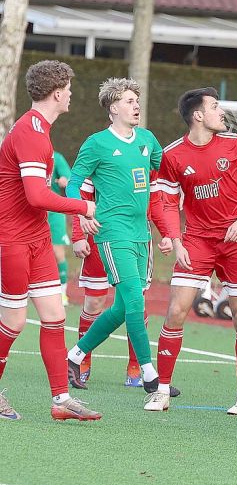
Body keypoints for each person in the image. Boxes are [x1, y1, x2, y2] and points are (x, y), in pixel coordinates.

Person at [143, 87, 237, 415]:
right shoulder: (173, 155)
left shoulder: (236, 144)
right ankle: (162, 391)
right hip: (197, 240)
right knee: (175, 312)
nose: (221, 112)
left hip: (236, 242)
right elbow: (167, 201)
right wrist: (175, 238)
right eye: (215, 107)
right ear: (198, 115)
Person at [0, 60, 100, 421]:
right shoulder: (29, 131)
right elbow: (36, 197)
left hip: (37, 238)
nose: (72, 95)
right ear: (57, 93)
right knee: (13, 321)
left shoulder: (40, 131)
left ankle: (61, 400)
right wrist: (84, 206)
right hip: (12, 239)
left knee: (55, 315)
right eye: (69, 89)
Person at [65, 78, 171, 403]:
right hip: (113, 233)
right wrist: (82, 214)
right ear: (113, 108)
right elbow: (73, 183)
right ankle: (151, 376)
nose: (136, 105)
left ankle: (74, 355)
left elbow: (157, 174)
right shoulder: (96, 143)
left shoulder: (149, 140)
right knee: (136, 304)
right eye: (128, 101)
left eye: (136, 100)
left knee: (122, 307)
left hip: (142, 236)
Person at [71, 177, 174, 389]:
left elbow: (154, 199)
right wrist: (77, 235)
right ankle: (81, 359)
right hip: (103, 231)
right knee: (95, 303)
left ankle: (138, 368)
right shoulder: (100, 145)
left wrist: (167, 233)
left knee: (132, 302)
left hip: (138, 237)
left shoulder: (147, 146)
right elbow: (78, 192)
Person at [48, 150, 72, 304]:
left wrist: (64, 180)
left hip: (54, 210)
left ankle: (63, 291)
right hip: (33, 211)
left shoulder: (57, 157)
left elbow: (68, 178)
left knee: (57, 251)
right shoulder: (28, 157)